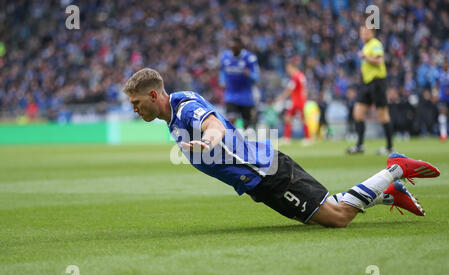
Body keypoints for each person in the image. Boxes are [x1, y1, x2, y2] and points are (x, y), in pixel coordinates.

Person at [123, 68, 440, 228]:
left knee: (337, 218)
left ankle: (395, 167)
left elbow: (214, 127)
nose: (135, 110)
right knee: (326, 214)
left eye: (136, 103)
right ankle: (388, 193)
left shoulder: (183, 108)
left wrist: (207, 142)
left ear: (153, 96)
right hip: (261, 184)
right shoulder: (175, 114)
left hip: (269, 173)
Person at [347, 26, 393, 155]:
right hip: (366, 83)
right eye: (362, 32)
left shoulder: (375, 44)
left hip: (377, 82)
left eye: (366, 32)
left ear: (372, 33)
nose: (363, 34)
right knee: (358, 113)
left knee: (382, 115)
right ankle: (360, 145)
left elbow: (379, 61)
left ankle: (390, 147)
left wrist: (366, 57)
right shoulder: (365, 46)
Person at [219, 37, 260, 130]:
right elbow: (222, 71)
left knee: (247, 125)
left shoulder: (250, 58)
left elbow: (256, 78)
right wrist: (222, 81)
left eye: (235, 48)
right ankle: (232, 140)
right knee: (231, 119)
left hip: (246, 95)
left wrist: (249, 74)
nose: (233, 50)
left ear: (241, 47)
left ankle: (246, 138)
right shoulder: (225, 57)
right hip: (231, 94)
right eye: (231, 48)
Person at [273, 58, 310, 144]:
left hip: (297, 101)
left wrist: (280, 98)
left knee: (301, 119)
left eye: (288, 69)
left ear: (292, 67)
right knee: (288, 117)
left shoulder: (295, 77)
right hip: (299, 100)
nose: (288, 71)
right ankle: (288, 138)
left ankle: (307, 138)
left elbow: (289, 90)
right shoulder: (301, 75)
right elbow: (304, 89)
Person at [436, 60, 449, 141]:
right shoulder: (439, 74)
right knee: (442, 114)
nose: (445, 65)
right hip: (442, 98)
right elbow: (437, 84)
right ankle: (443, 134)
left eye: (446, 64)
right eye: (444, 64)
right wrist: (435, 94)